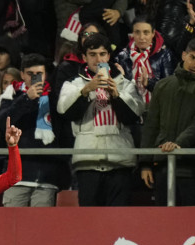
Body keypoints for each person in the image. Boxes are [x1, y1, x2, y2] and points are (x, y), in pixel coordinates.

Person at [57, 33, 144, 206]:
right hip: (88, 162)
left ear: (109, 56)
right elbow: (64, 112)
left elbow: (134, 116)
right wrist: (85, 91)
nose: (98, 59)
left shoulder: (125, 83)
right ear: (84, 57)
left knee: (119, 221)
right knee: (90, 222)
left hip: (120, 161)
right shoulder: (73, 84)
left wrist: (116, 95)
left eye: (102, 54)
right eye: (92, 54)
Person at [140, 38, 195, 205]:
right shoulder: (163, 86)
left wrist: (177, 145)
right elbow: (151, 126)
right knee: (163, 223)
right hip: (163, 164)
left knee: (190, 225)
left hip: (193, 168)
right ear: (184, 55)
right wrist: (145, 163)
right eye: (192, 58)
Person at [0, 53, 66, 207]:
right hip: (17, 177)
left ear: (46, 75)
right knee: (12, 228)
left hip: (46, 178)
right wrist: (26, 99)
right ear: (22, 74)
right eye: (30, 74)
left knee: (40, 230)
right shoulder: (12, 94)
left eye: (39, 74)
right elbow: (2, 123)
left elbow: (63, 133)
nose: (35, 78)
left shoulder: (55, 98)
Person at [113, 15, 176, 107]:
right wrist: (121, 79)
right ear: (132, 34)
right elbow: (117, 90)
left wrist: (148, 83)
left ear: (153, 33)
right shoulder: (123, 56)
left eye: (146, 33)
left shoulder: (164, 55)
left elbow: (169, 89)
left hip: (156, 108)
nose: (141, 37)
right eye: (137, 32)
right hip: (130, 108)